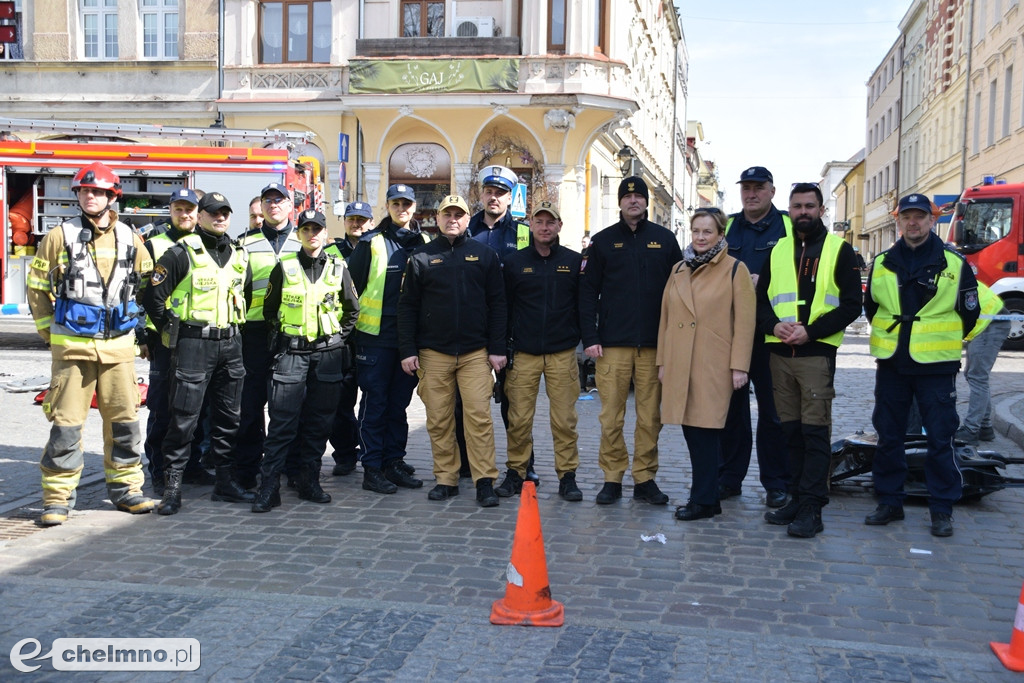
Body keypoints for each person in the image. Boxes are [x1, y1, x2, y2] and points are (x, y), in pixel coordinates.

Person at [27, 162, 155, 526]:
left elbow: (147, 285)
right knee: (66, 425)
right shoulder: (59, 236)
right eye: (84, 191)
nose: (89, 196)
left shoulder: (131, 238)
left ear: (112, 196)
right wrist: (48, 333)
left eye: (97, 191)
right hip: (73, 349)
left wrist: (141, 331)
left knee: (125, 423)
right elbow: (37, 288)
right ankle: (57, 498)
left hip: (118, 350)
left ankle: (127, 489)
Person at [864, 193, 980, 538]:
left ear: (932, 220)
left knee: (941, 439)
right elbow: (872, 309)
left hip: (936, 367)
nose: (912, 223)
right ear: (898, 221)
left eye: (920, 217)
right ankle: (889, 502)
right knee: (889, 437)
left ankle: (942, 509)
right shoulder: (883, 262)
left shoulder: (953, 263)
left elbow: (969, 312)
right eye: (906, 217)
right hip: (893, 364)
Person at [757, 183, 863, 537]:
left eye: (809, 206)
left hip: (815, 354)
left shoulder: (840, 250)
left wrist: (811, 332)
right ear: (789, 210)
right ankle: (796, 497)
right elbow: (759, 301)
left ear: (821, 210)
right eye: (797, 206)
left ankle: (812, 508)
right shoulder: (777, 251)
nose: (803, 211)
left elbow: (851, 305)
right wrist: (774, 325)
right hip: (779, 351)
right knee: (789, 433)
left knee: (815, 433)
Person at [143, 192, 254, 515]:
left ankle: (224, 482)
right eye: (212, 213)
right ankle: (173, 487)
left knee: (228, 418)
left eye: (224, 213)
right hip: (192, 342)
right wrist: (172, 331)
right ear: (201, 217)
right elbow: (153, 298)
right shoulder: (180, 253)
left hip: (230, 343)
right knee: (183, 418)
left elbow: (243, 294)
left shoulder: (239, 254)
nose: (219, 218)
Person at [579, 176, 682, 505]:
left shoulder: (665, 241)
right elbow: (586, 294)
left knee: (651, 417)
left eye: (639, 196)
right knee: (611, 417)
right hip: (612, 346)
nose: (633, 201)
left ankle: (645, 478)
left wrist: (674, 342)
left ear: (647, 202)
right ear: (620, 202)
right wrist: (590, 338)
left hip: (654, 346)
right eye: (628, 196)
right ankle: (612, 477)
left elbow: (680, 294)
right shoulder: (603, 242)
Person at [398, 195, 506, 507]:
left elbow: (498, 304)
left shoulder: (483, 255)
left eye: (459, 214)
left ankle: (484, 480)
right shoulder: (421, 257)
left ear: (466, 218)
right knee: (439, 418)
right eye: (448, 214)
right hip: (434, 353)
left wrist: (497, 348)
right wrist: (408, 350)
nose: (453, 219)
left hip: (475, 352)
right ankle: (446, 478)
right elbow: (407, 308)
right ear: (439, 218)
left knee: (479, 417)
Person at [253, 210, 360, 511]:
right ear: (298, 234)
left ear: (326, 234)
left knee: (319, 423)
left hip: (327, 355)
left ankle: (309, 481)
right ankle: (269, 487)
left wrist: (336, 337)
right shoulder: (284, 267)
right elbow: (270, 310)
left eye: (318, 229)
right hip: (292, 354)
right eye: (307, 229)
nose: (312, 234)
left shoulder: (339, 268)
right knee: (282, 424)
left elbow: (352, 309)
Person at [657, 208, 755, 521]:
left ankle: (704, 499)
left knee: (706, 434)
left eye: (707, 232)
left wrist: (740, 365)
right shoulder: (678, 269)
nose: (700, 237)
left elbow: (745, 322)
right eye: (696, 231)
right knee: (691, 430)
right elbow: (666, 319)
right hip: (680, 362)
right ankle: (706, 496)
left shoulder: (734, 269)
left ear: (720, 235)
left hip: (713, 364)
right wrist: (662, 361)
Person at [496, 201, 584, 502]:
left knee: (564, 420)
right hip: (523, 353)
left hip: (562, 352)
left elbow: (583, 306)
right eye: (540, 222)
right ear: (531, 225)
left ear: (559, 226)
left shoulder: (574, 262)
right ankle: (516, 473)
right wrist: (499, 348)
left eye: (551, 222)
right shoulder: (514, 262)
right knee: (518, 419)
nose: (545, 227)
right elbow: (503, 308)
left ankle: (568, 476)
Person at [719, 166, 793, 508]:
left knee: (774, 413)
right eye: (746, 187)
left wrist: (760, 283)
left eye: (758, 187)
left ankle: (776, 482)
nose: (751, 193)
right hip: (732, 333)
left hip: (773, 334)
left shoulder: (789, 226)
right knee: (731, 410)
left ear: (772, 191)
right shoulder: (728, 226)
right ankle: (729, 479)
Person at [346, 186, 426, 494]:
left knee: (399, 405)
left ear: (414, 206)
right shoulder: (371, 243)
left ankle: (394, 461)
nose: (402, 208)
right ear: (388, 206)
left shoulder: (424, 243)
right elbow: (350, 293)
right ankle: (372, 467)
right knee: (375, 404)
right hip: (375, 340)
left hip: (408, 341)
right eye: (396, 203)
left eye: (407, 203)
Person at [139, 188, 215, 496]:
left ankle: (191, 466)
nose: (185, 215)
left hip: (197, 339)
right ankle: (158, 470)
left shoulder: (204, 244)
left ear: (198, 213)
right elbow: (141, 293)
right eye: (178, 209)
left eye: (190, 210)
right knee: (162, 407)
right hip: (163, 340)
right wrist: (143, 335)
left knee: (195, 407)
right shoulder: (154, 244)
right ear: (170, 210)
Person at [465, 164, 538, 484]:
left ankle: (524, 464)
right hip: (472, 326)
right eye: (489, 191)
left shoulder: (523, 233)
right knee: (465, 403)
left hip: (512, 329)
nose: (494, 198)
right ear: (481, 194)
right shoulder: (466, 229)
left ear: (511, 197)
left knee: (515, 404)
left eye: (501, 193)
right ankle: (468, 464)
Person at [234, 183, 301, 488]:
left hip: (292, 334)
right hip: (253, 333)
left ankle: (291, 466)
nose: (273, 204)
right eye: (267, 200)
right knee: (249, 407)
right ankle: (247, 471)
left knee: (288, 406)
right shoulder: (244, 243)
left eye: (280, 200)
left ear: (291, 206)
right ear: (260, 207)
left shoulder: (305, 241)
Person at [322, 200, 374, 477]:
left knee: (372, 400)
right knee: (340, 401)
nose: (357, 224)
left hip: (369, 334)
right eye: (352, 219)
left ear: (371, 222)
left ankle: (370, 451)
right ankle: (344, 453)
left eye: (362, 220)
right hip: (339, 337)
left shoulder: (377, 248)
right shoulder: (330, 251)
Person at [956, 283, 1010, 445]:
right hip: (989, 322)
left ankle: (972, 430)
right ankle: (985, 427)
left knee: (977, 376)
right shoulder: (950, 272)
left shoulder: (945, 278)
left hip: (991, 322)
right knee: (974, 375)